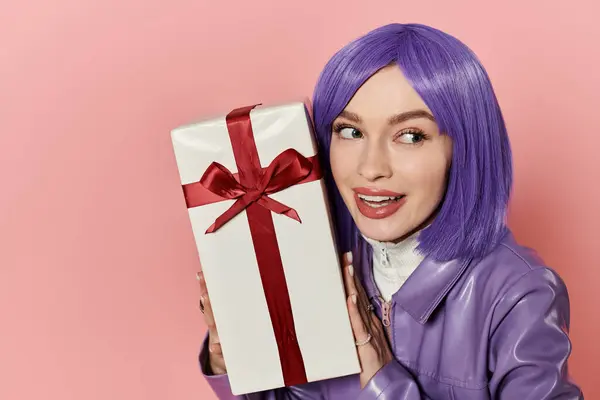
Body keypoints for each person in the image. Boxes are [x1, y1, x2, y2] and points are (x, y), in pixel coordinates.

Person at [196, 23, 584, 399]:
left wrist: (385, 386)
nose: (371, 167)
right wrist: (232, 364)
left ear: (463, 149)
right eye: (350, 131)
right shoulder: (318, 259)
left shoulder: (519, 294)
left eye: (411, 136)